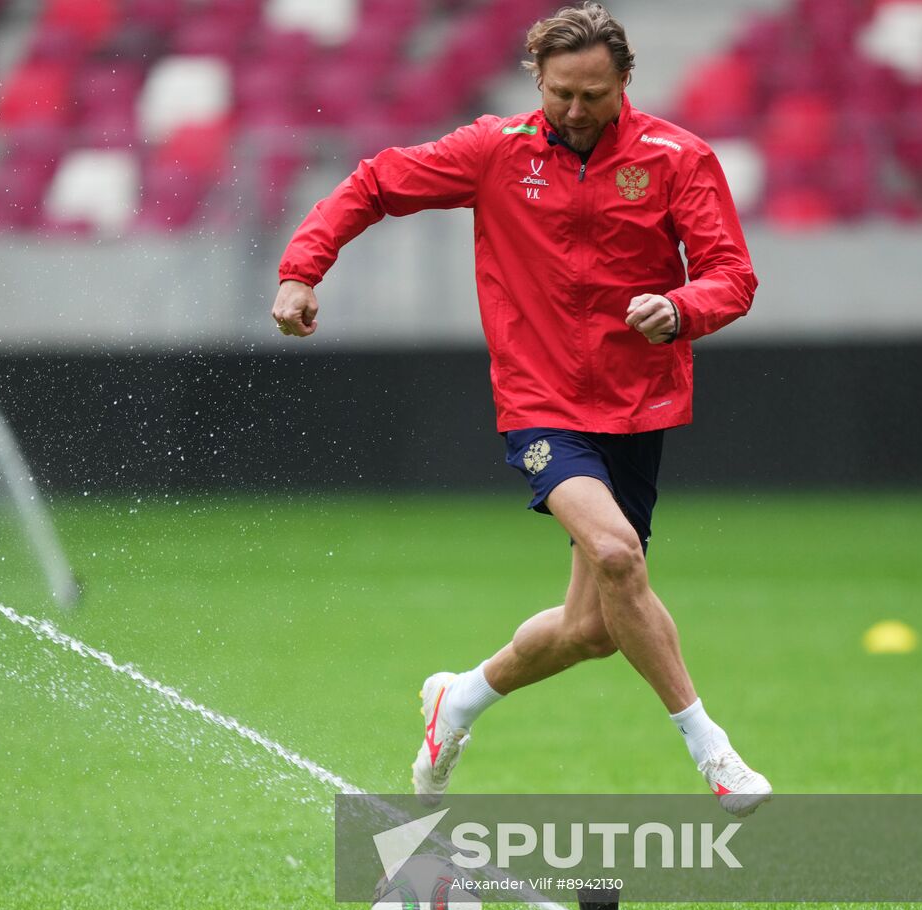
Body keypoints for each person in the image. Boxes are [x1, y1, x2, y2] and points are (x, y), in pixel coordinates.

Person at [271, 3, 771, 816]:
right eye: (560, 92)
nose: (574, 110)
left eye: (593, 95)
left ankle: (458, 698)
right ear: (535, 79)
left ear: (626, 81)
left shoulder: (678, 159)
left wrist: (680, 308)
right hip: (540, 403)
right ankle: (712, 751)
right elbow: (374, 183)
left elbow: (732, 275)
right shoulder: (494, 150)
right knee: (617, 555)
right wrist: (302, 269)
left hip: (637, 407)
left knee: (594, 629)